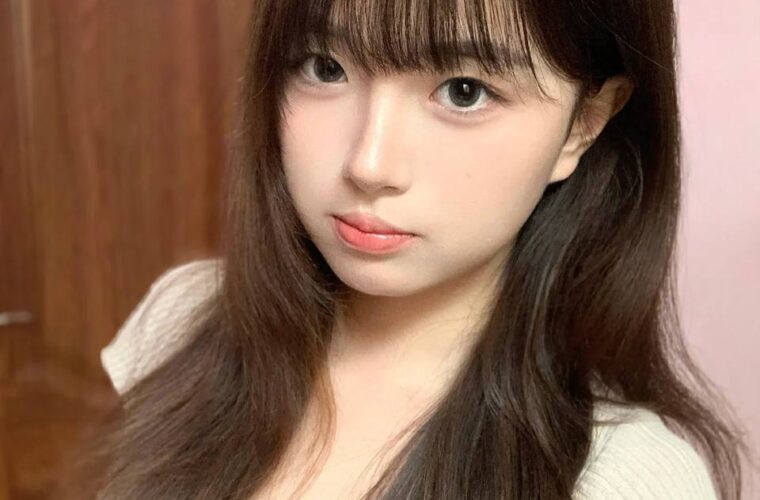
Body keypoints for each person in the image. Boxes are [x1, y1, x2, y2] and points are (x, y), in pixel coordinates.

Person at [86, 0, 749, 498]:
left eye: (464, 90)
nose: (369, 163)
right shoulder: (182, 320)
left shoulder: (625, 477)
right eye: (325, 67)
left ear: (585, 122)